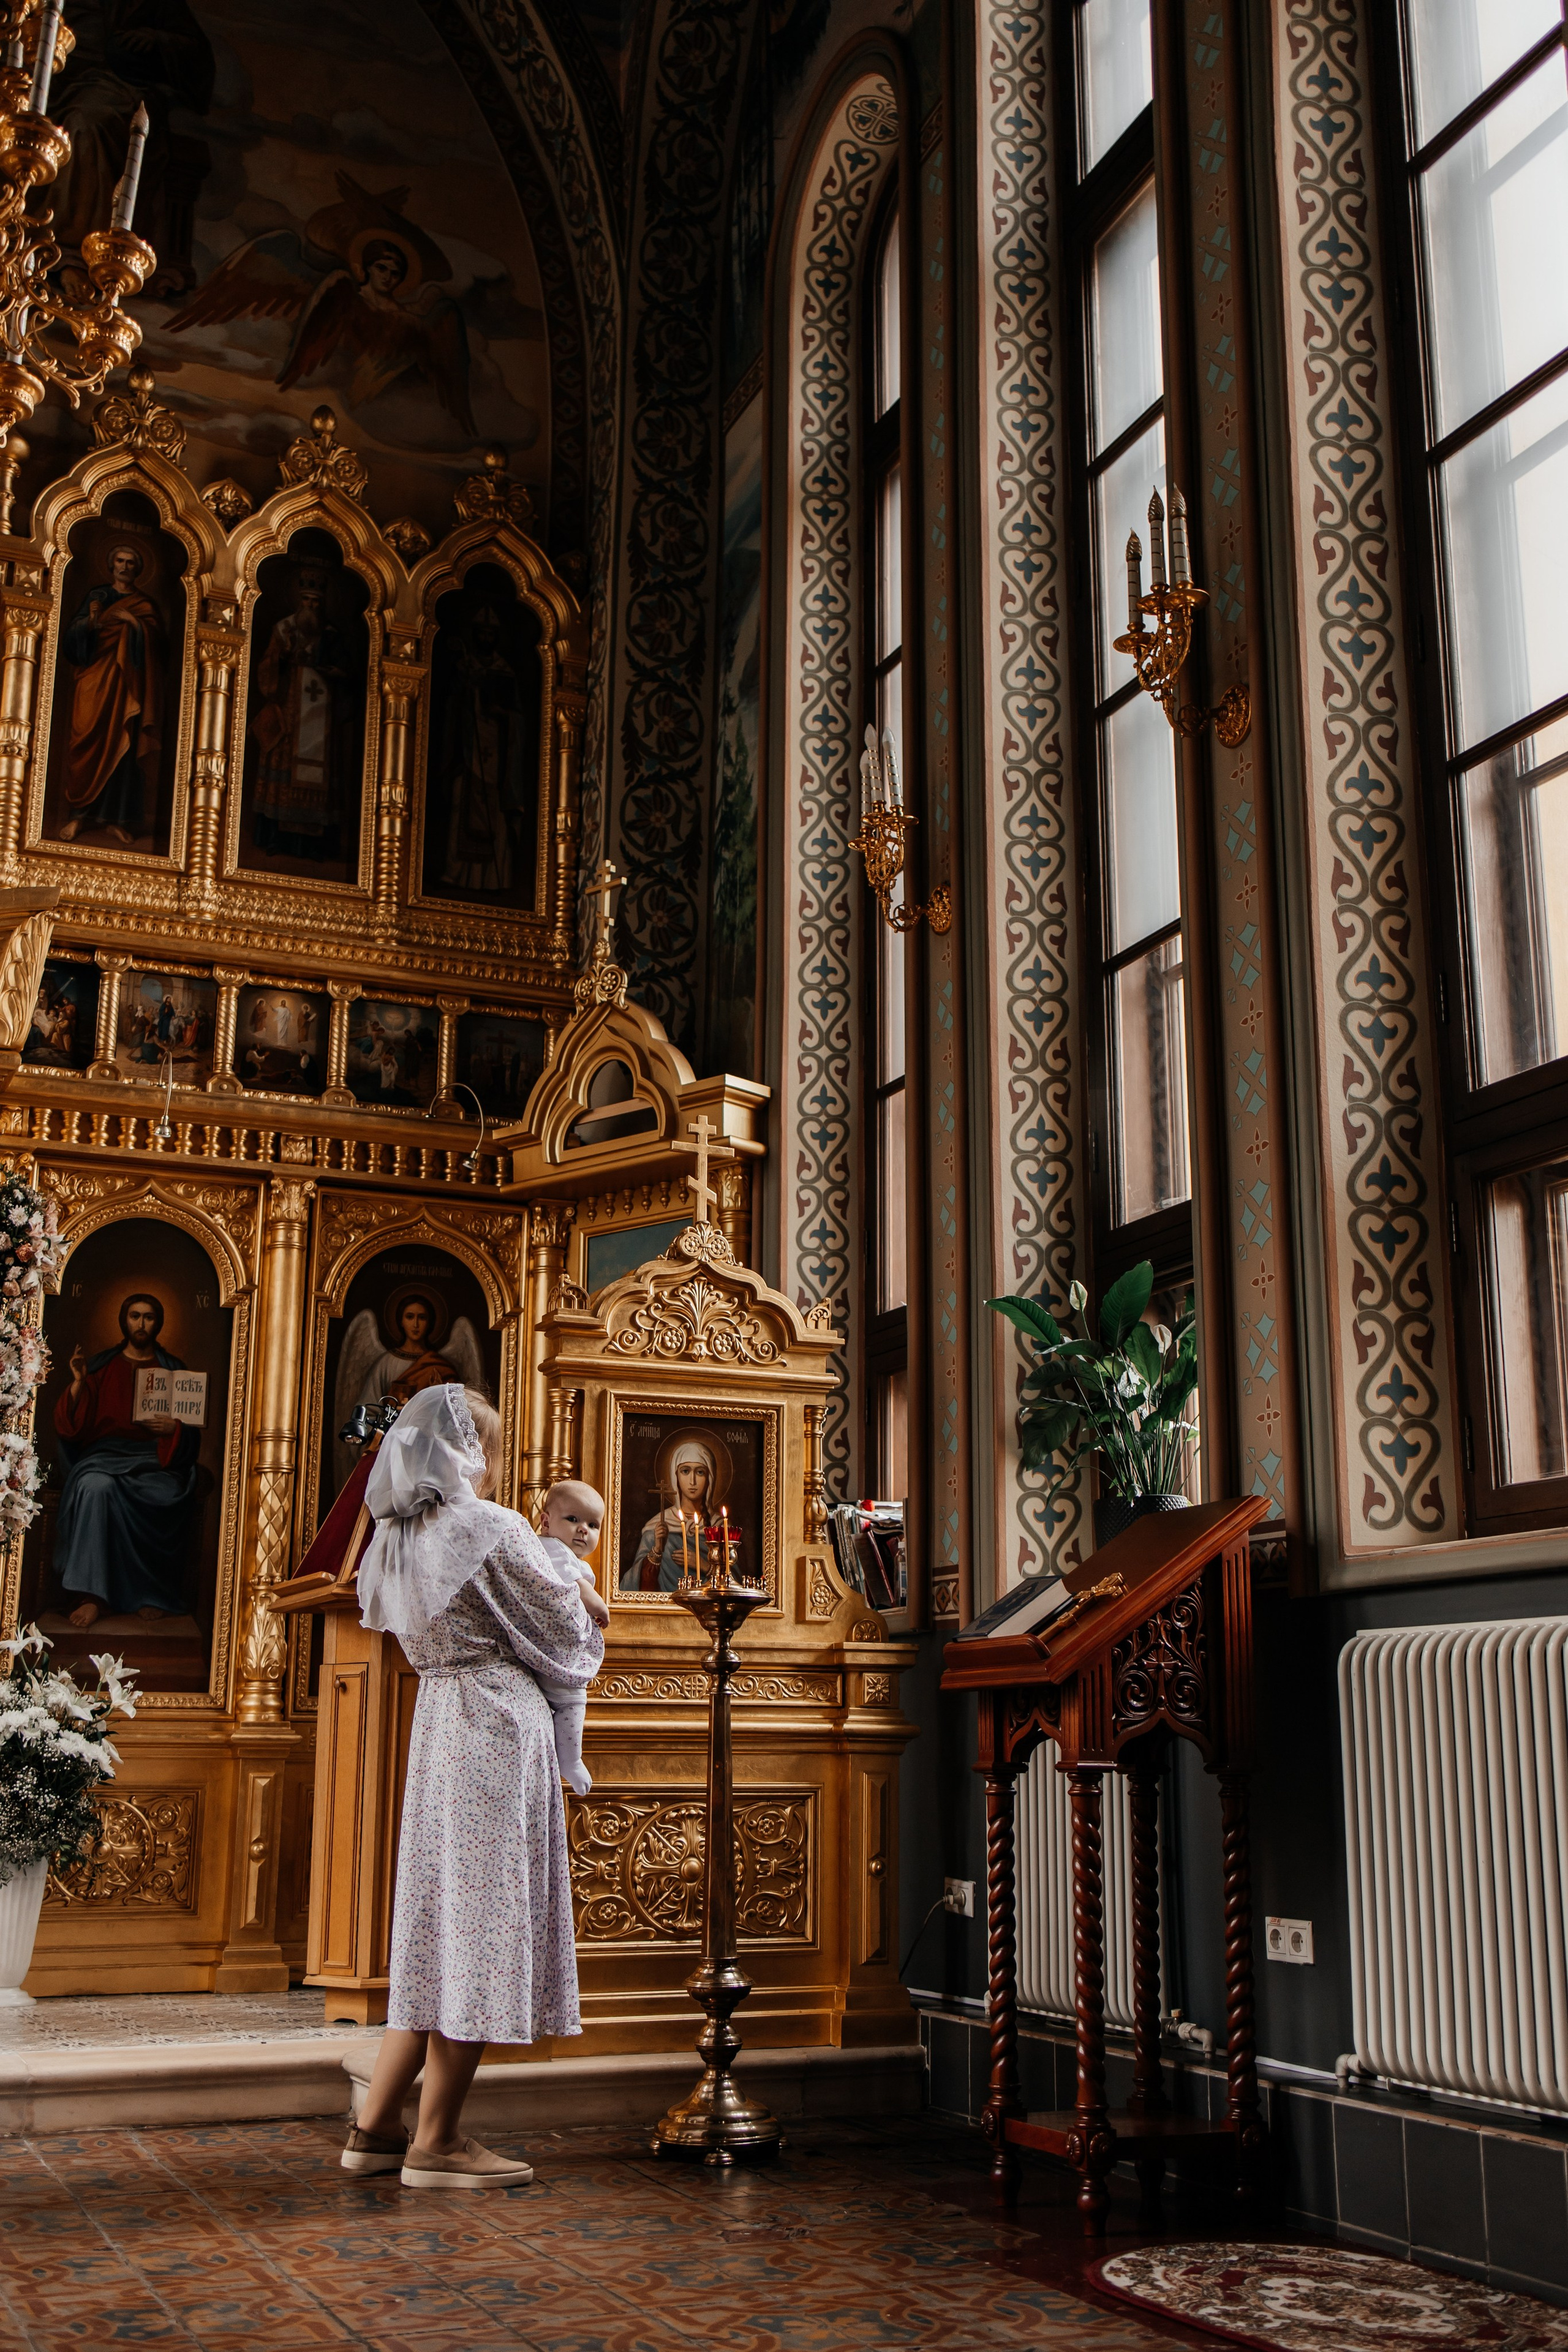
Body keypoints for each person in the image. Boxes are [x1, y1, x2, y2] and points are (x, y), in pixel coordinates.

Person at [343, 1385, 608, 2188]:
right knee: (483, 1930)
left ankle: (378, 2126)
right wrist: (590, 1604)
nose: (491, 1465)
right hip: (495, 1723)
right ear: (466, 1450)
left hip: (439, 1721)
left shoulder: (396, 1534)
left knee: (433, 1931)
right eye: (487, 1447)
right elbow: (567, 1629)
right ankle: (440, 2141)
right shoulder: (487, 1528)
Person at [51, 1294, 200, 1630]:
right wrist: (77, 1385)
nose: (142, 1324)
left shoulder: (175, 1370)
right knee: (94, 1486)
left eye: (149, 1318)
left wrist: (173, 1428)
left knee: (165, 1496)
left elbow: (192, 1433)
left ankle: (151, 1591)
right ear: (125, 1320)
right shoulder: (102, 1367)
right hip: (105, 1458)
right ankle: (91, 1597)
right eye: (135, 1316)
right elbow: (70, 1427)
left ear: (158, 1323)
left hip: (155, 1461)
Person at [57, 542, 167, 844]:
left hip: (126, 688)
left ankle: (115, 821)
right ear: (111, 565)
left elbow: (159, 652)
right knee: (87, 743)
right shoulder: (97, 597)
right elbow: (71, 643)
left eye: (131, 563)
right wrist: (91, 621)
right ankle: (78, 818)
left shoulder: (145, 606)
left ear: (138, 569)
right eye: (120, 561)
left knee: (123, 749)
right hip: (93, 683)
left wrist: (135, 625)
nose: (125, 567)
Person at [247, 560, 354, 861]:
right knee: (283, 770)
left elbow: (348, 673)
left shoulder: (332, 635)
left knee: (319, 775)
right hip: (289, 714)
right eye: (307, 600)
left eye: (317, 601)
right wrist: (282, 659)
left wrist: (338, 673)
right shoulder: (283, 630)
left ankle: (314, 846)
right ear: (299, 600)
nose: (311, 605)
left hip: (322, 720)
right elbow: (266, 672)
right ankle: (277, 839)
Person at [534, 1479, 608, 1795]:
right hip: (553, 1652)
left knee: (568, 1703)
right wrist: (599, 1606)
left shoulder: (566, 1555)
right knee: (572, 1700)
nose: (583, 1530)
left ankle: (566, 1757)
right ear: (546, 1521)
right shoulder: (553, 1549)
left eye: (593, 1524)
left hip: (550, 1650)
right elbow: (577, 1588)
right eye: (573, 1519)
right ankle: (571, 1760)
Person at [625, 1439, 716, 1591]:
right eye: (685, 1471)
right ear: (676, 1477)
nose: (692, 1481)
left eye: (700, 1472)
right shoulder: (656, 1526)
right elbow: (634, 1586)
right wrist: (657, 1550)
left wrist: (704, 1565)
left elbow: (737, 1583)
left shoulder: (720, 1527)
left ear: (710, 1478)